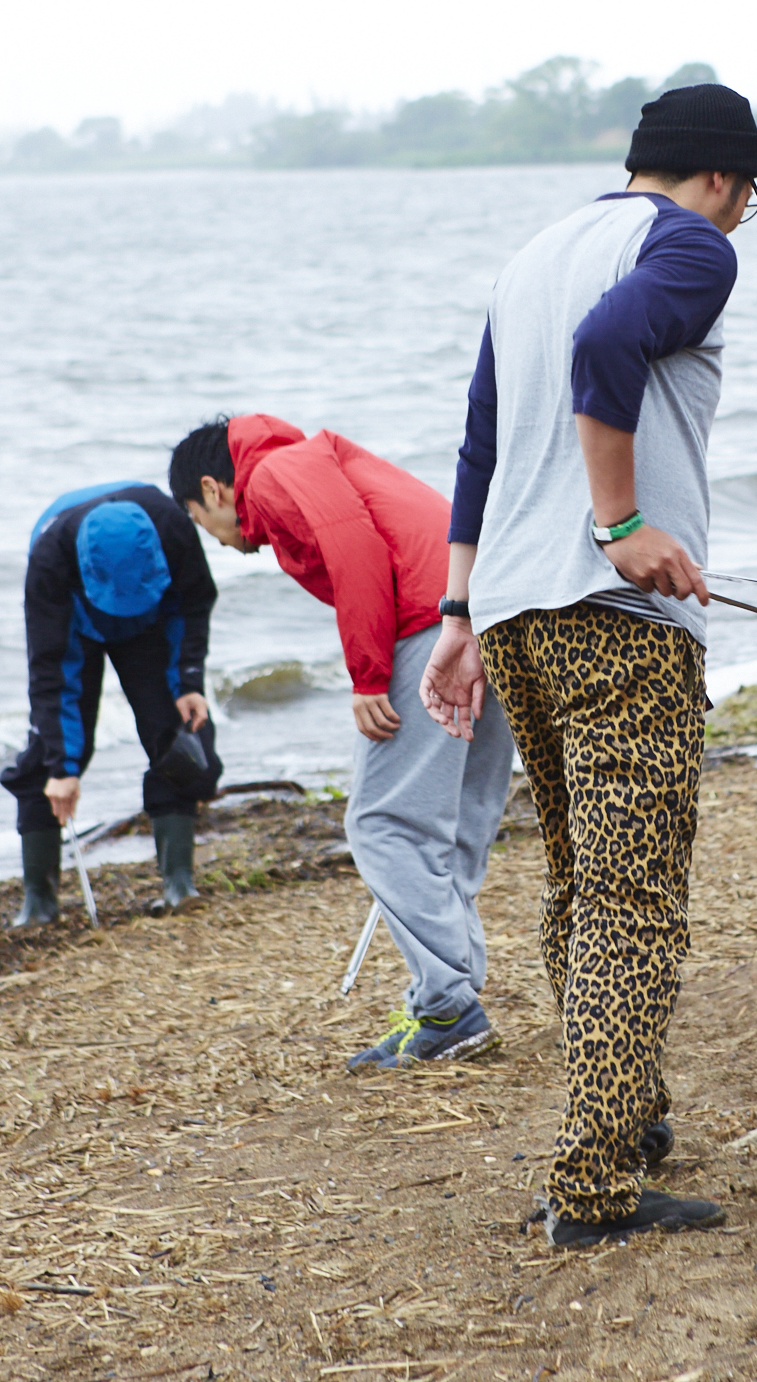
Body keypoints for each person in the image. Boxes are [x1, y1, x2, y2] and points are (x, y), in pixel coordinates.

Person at [420, 82, 757, 1249]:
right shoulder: (690, 245)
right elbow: (609, 343)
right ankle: (592, 1188)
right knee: (632, 897)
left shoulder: (534, 254)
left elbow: (480, 435)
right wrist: (620, 525)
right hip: (616, 616)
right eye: (746, 200)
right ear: (721, 176)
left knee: (580, 880)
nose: (738, 221)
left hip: (515, 613)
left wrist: (457, 611)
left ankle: (629, 1116)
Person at [170, 412, 515, 1070]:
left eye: (197, 519)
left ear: (214, 489)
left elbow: (355, 550)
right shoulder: (308, 459)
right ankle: (452, 997)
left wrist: (368, 677)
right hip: (485, 611)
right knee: (458, 815)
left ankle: (447, 1006)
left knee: (382, 823)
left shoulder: (274, 474)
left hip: (430, 621)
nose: (212, 540)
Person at [2, 479, 219, 925]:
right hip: (76, 624)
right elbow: (49, 673)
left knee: (181, 737)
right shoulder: (49, 561)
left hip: (152, 624)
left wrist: (189, 680)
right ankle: (38, 904)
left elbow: (193, 602)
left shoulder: (174, 527)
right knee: (51, 749)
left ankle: (179, 883)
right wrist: (64, 768)